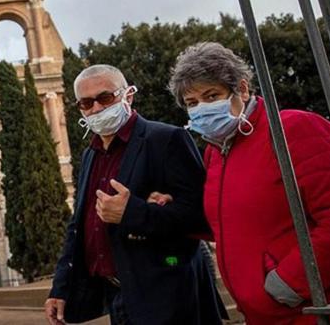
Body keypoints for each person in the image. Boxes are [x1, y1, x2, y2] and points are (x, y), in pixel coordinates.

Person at [167, 42, 330, 324]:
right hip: (269, 317)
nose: (202, 108)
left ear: (242, 89)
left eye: (211, 95)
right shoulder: (215, 153)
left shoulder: (292, 128)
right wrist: (166, 209)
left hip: (328, 312)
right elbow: (232, 225)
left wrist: (288, 284)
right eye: (192, 103)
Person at [45, 65, 224, 325]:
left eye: (105, 98)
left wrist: (133, 212)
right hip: (119, 296)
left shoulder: (166, 139)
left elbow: (202, 217)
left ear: (128, 96)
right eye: (86, 103)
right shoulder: (90, 155)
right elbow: (79, 227)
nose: (96, 109)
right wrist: (61, 288)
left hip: (169, 296)